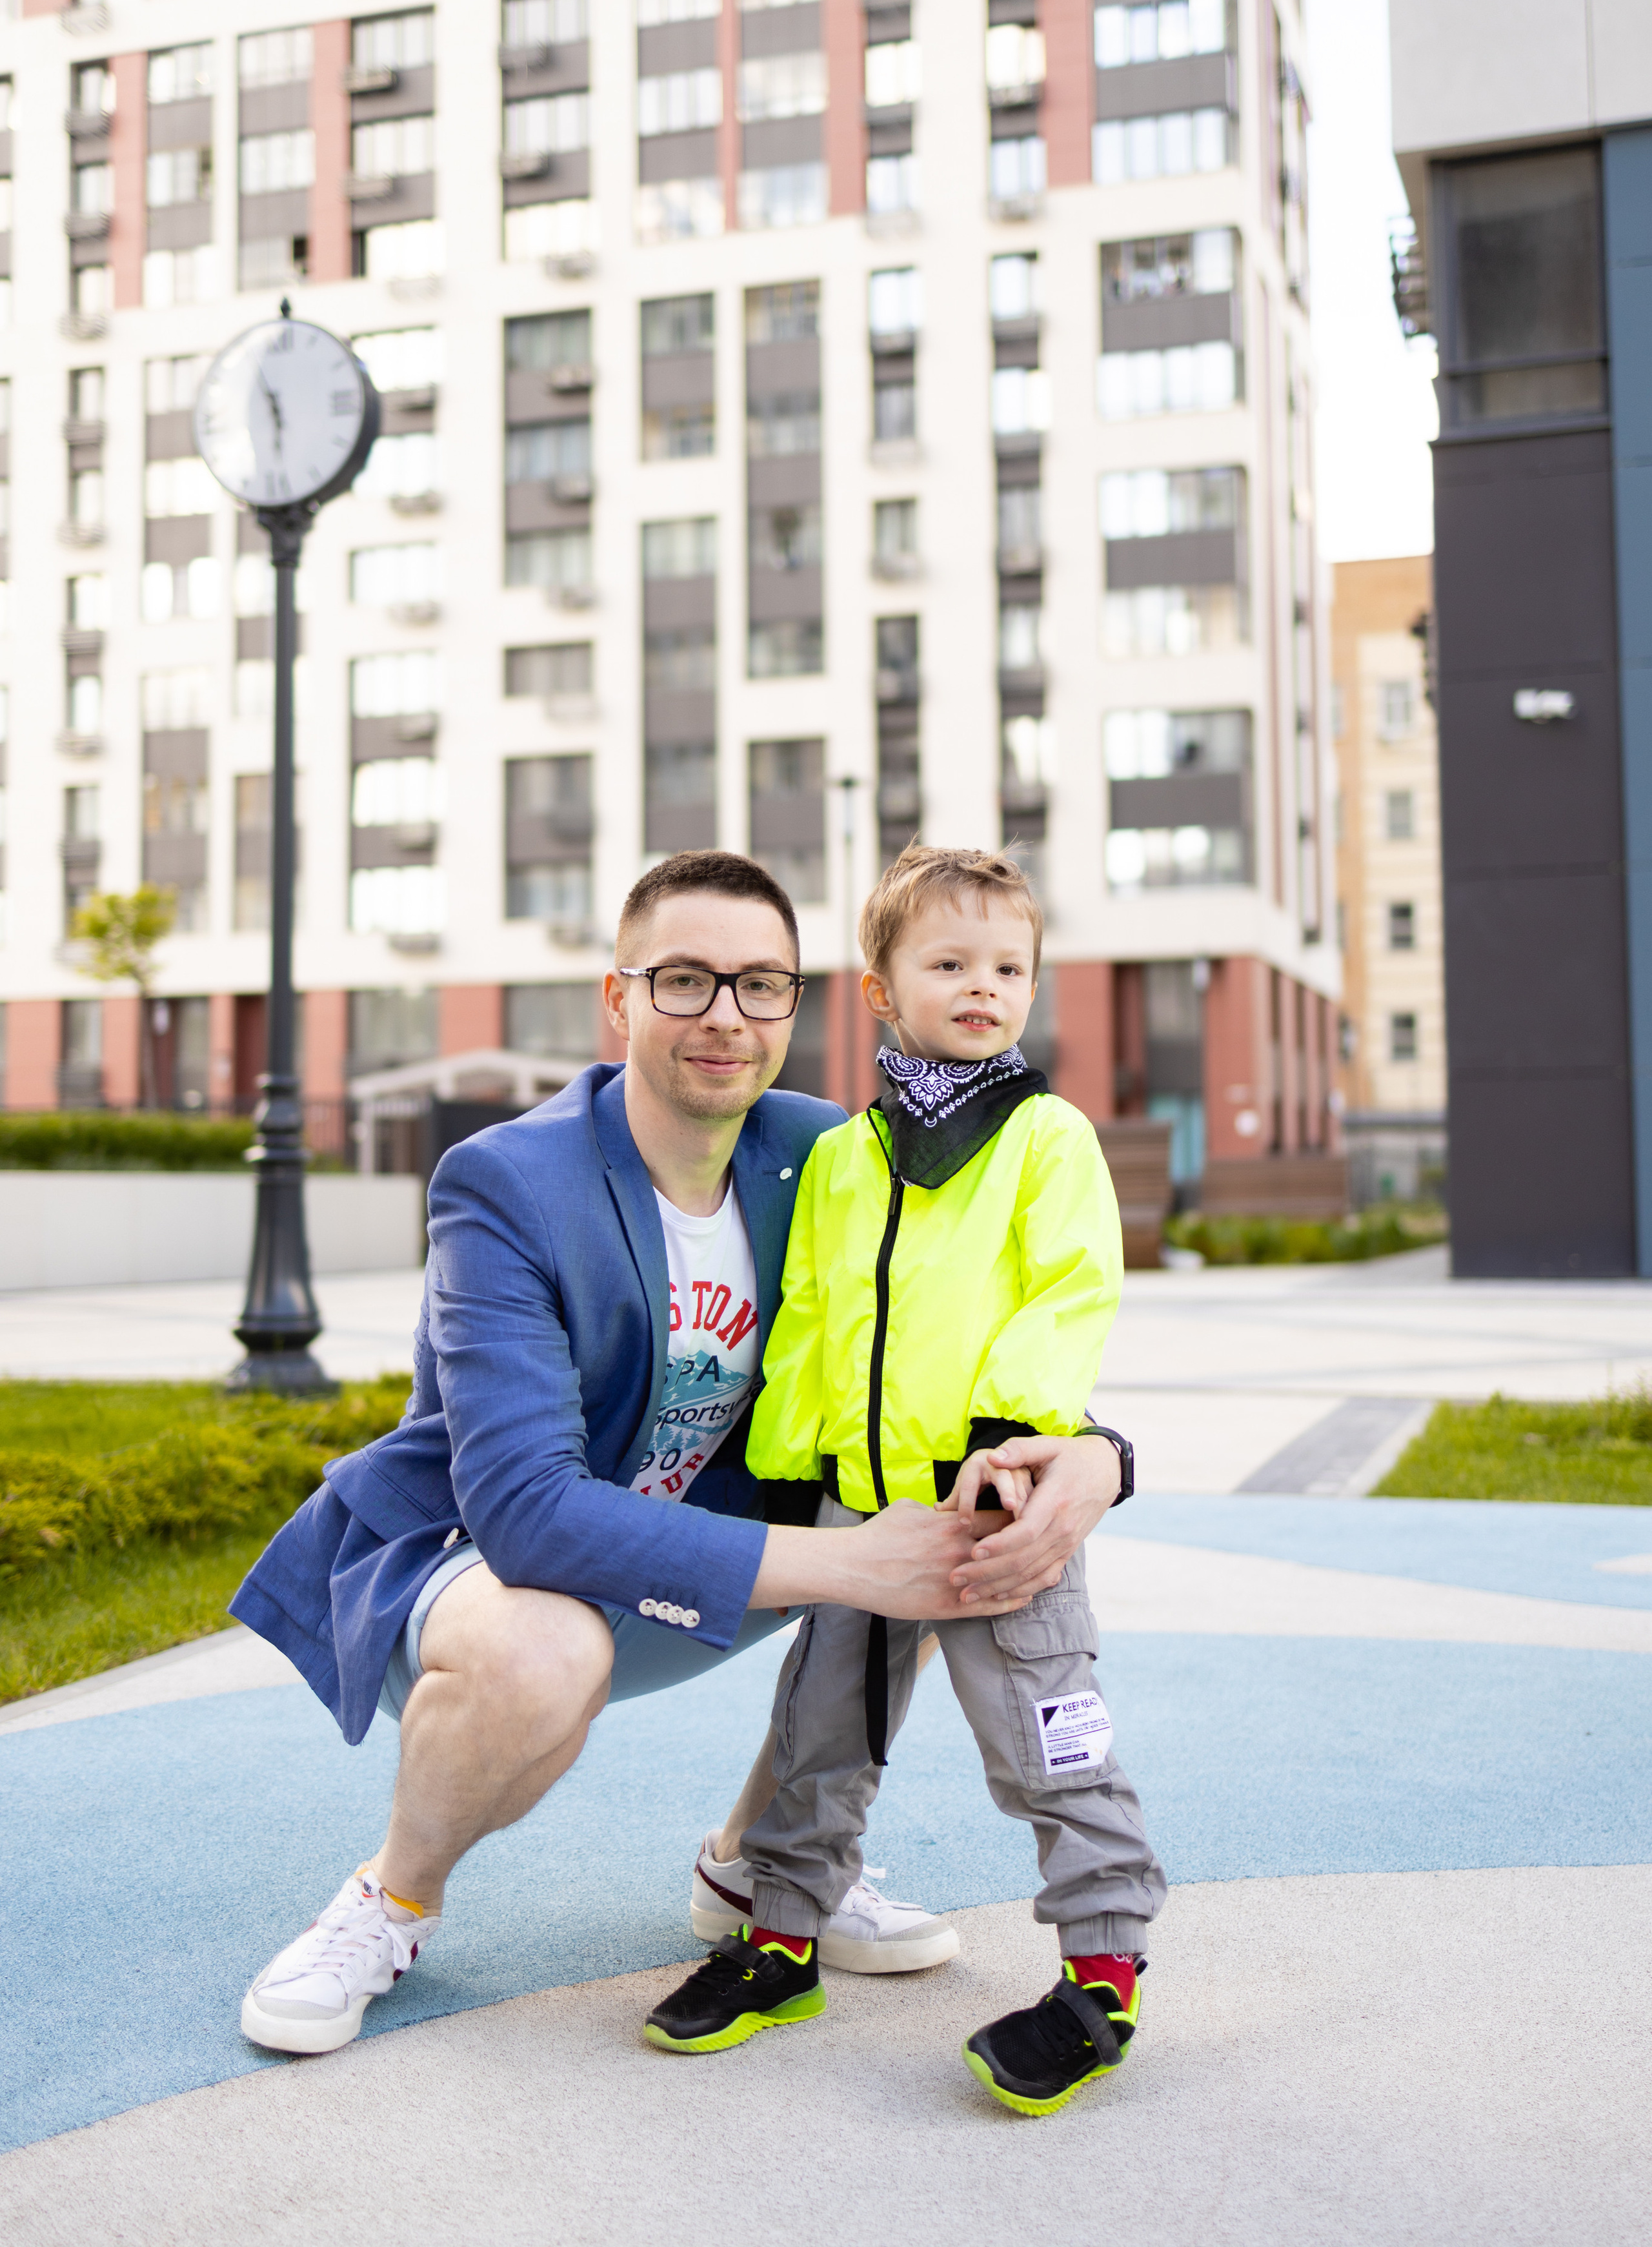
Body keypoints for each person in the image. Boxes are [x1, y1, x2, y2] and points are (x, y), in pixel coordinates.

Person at [231, 850, 1128, 2055]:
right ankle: (390, 1899)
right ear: (619, 1000)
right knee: (567, 1641)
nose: (725, 1016)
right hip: (483, 1570)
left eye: (760, 984)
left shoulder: (835, 1156)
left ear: (798, 1006)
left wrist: (1098, 1454)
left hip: (693, 1549)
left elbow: (976, 1312)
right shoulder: (504, 1181)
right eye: (686, 980)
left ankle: (761, 1875)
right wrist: (855, 1568)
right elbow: (529, 1513)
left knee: (916, 1545)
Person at [643, 847, 1164, 2117]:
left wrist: (1010, 1433)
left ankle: (1101, 1978)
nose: (981, 987)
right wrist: (783, 1475)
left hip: (993, 1503)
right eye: (947, 964)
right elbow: (812, 1322)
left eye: (1006, 968)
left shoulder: (1045, 1138)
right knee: (816, 1734)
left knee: (1047, 1739)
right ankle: (779, 1946)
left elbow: (1068, 1291)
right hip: (853, 1514)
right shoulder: (842, 1159)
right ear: (878, 990)